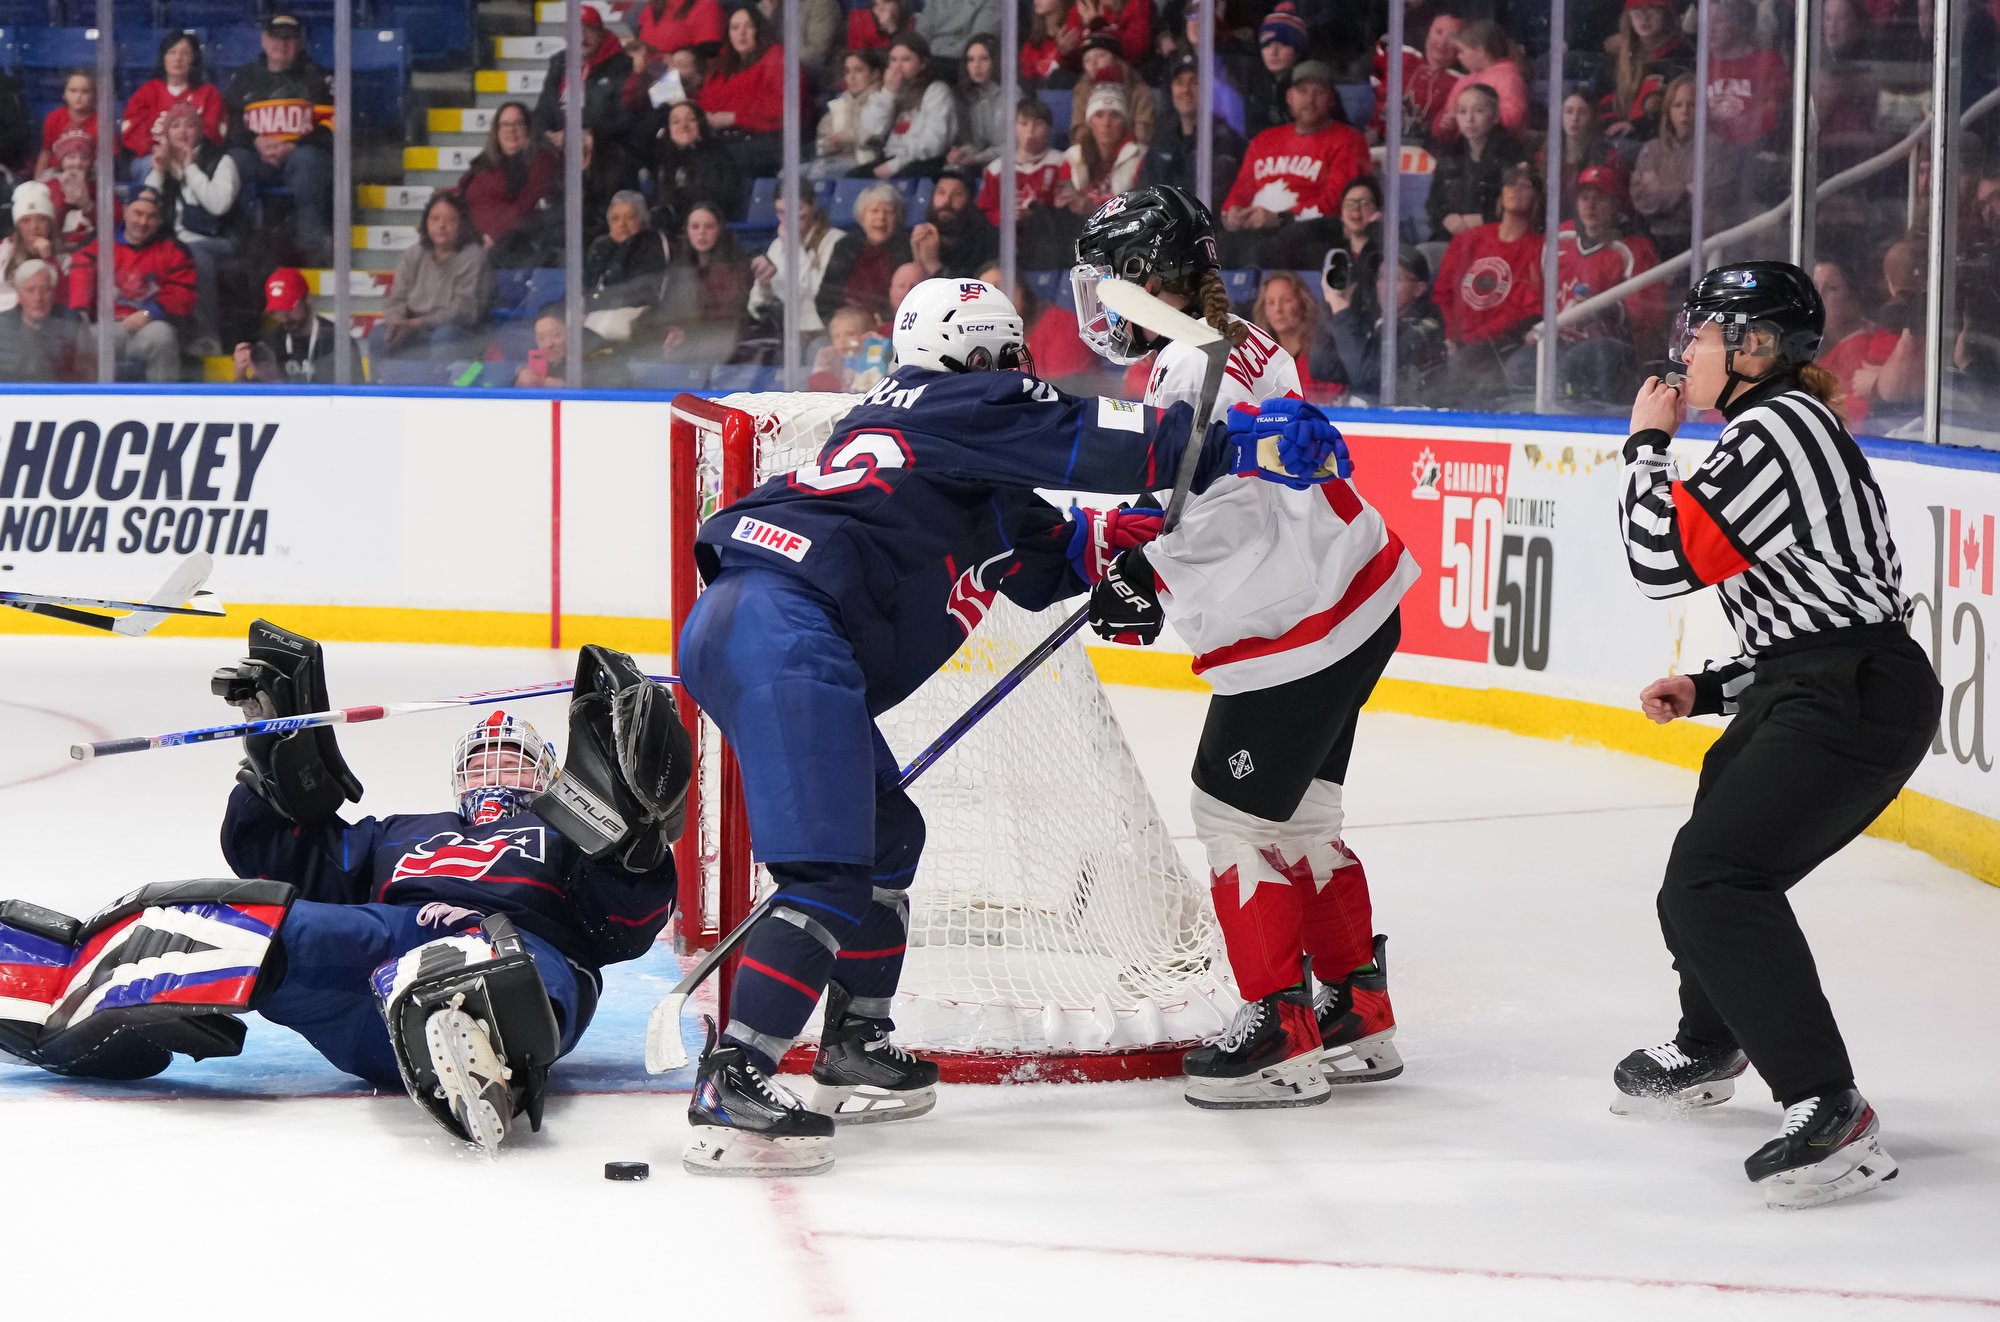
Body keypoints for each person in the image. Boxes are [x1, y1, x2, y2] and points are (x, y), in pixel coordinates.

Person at [674, 274, 1327, 1172]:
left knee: (888, 838)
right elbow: (1106, 439)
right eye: (1011, 355)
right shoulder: (967, 402)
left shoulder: (934, 438)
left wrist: (1125, 547)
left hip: (752, 620)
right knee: (827, 874)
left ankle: (855, 1041)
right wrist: (1238, 440)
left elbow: (1042, 558)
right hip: (785, 629)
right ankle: (734, 1078)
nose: (1024, 371)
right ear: (978, 355)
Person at [0, 625, 688, 1153]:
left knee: (500, 968)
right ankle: (57, 992)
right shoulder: (402, 832)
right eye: (481, 763)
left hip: (524, 948)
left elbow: (623, 924)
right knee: (240, 922)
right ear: (458, 777)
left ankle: (477, 1049)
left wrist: (635, 843)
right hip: (379, 949)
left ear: (548, 776)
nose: (494, 774)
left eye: (512, 762)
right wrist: (270, 756)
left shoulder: (570, 836)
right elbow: (290, 860)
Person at [1073, 185, 1418, 1109]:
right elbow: (1224, 483)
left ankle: (1276, 1032)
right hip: (1357, 598)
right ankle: (1355, 1008)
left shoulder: (1191, 366)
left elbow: (1224, 514)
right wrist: (1147, 544)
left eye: (1110, 282)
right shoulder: (1235, 340)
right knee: (1301, 820)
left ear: (1149, 280)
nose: (1100, 304)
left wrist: (1144, 574)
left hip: (1300, 630)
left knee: (1228, 816)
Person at [1614, 261, 1939, 1209]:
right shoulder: (1778, 426)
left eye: (1704, 336)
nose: (1686, 352)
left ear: (1753, 348)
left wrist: (1645, 447)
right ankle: (1713, 1040)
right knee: (1700, 876)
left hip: (1853, 697)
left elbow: (1661, 562)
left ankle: (1829, 1105)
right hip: (1821, 685)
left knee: (1715, 879)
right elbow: (1815, 612)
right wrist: (1713, 685)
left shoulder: (1778, 428)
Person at [1509, 164, 1662, 403]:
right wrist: (1535, 324)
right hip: (1561, 340)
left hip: (1609, 345)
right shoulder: (1561, 237)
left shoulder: (1634, 249)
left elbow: (1647, 315)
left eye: (1599, 199)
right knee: (1518, 365)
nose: (1590, 206)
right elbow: (1536, 290)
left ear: (1615, 204)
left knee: (1576, 364)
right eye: (1584, 198)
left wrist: (1602, 310)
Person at [1219, 60, 1373, 267]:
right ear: (1289, 97)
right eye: (1302, 91)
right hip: (1257, 230)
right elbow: (1241, 190)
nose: (1310, 100)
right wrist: (1234, 213)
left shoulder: (1348, 140)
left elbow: (1336, 204)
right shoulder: (1265, 140)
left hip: (1314, 233)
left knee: (1268, 249)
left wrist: (1281, 218)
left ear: (1331, 100)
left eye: (1319, 92)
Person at [224, 14, 334, 264]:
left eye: (289, 39)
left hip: (301, 158)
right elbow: (230, 125)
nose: (281, 44)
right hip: (258, 158)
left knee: (309, 161)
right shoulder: (243, 78)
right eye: (276, 38)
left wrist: (294, 146)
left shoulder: (318, 78)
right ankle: (237, 241)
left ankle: (313, 244)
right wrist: (255, 141)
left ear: (300, 43)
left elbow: (331, 127)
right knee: (232, 162)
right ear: (264, 40)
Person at [1434, 160, 1545, 402]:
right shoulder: (1469, 240)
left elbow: (1530, 308)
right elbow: (1444, 292)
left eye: (1525, 185)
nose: (1515, 190)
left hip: (1500, 345)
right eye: (1510, 184)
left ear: (1536, 198)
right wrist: (1451, 336)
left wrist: (1479, 338)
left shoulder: (1539, 247)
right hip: (1457, 341)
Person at [145, 101, 244, 358]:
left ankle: (207, 338)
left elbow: (218, 205)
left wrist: (191, 169)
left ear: (199, 131)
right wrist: (157, 171)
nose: (182, 131)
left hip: (217, 241)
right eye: (175, 126)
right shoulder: (165, 164)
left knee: (192, 255)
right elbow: (144, 208)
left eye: (189, 125)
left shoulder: (222, 161)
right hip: (175, 243)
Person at [68, 187, 195, 383]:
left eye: (151, 216)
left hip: (148, 328)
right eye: (138, 213)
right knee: (81, 339)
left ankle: (163, 400)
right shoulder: (99, 243)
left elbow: (182, 294)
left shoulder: (174, 250)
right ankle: (89, 400)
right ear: (125, 211)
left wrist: (150, 313)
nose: (143, 222)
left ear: (159, 220)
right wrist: (81, 313)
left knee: (163, 337)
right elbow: (80, 278)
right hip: (104, 327)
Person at [371, 191, 493, 365]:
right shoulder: (413, 253)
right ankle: (379, 382)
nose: (441, 225)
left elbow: (463, 310)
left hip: (459, 330)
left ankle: (442, 382)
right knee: (380, 333)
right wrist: (397, 322)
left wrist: (418, 323)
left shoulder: (473, 256)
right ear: (426, 223)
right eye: (435, 219)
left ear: (462, 224)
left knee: (444, 336)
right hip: (412, 327)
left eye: (450, 220)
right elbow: (397, 298)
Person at [1313, 245, 1448, 401]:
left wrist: (1341, 311)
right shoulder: (1375, 320)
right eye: (1381, 277)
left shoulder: (1426, 329)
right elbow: (1322, 367)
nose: (1385, 286)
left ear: (1419, 289)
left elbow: (1369, 377)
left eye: (1395, 279)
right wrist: (1330, 304)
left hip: (1406, 413)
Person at [1631, 74, 1743, 259]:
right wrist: (1685, 189)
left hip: (1703, 243)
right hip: (1658, 242)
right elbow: (1643, 200)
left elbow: (1710, 200)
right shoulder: (1652, 150)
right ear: (1668, 111)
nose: (1685, 111)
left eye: (1692, 105)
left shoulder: (1719, 148)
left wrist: (1661, 189)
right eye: (1677, 105)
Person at [455, 102, 560, 270]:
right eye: (505, 125)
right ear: (496, 131)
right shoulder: (484, 162)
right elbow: (460, 198)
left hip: (510, 246)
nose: (511, 130)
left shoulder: (540, 160)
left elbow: (526, 205)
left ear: (528, 128)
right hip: (472, 241)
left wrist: (494, 237)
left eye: (518, 124)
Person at [979, 97, 1080, 267]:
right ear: (1014, 128)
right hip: (1007, 248)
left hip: (1049, 246)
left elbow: (1067, 211)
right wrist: (1006, 216)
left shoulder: (1062, 163)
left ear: (1049, 129)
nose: (1030, 130)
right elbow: (985, 212)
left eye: (1038, 124)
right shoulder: (996, 169)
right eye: (1024, 123)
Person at [697, 5, 793, 179]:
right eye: (735, 28)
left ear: (759, 30)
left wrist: (734, 118)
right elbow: (706, 102)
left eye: (748, 26)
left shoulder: (777, 58)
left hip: (765, 140)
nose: (741, 33)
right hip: (724, 139)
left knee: (717, 159)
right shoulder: (722, 66)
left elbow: (784, 109)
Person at [121, 31, 226, 184]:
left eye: (185, 53)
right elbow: (133, 134)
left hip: (195, 159)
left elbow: (212, 134)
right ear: (163, 57)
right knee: (149, 165)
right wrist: (160, 151)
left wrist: (187, 154)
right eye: (172, 52)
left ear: (194, 59)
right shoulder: (147, 92)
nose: (178, 58)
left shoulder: (208, 93)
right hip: (154, 157)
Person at [1141, 53, 1246, 202]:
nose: (1186, 90)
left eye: (1194, 82)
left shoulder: (1227, 142)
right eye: (1179, 82)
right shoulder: (1161, 140)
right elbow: (1144, 193)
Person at [1428, 84, 1524, 240]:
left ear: (1495, 116)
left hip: (1498, 237)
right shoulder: (1450, 154)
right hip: (1453, 238)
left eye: (1479, 111)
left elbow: (1522, 205)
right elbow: (1434, 203)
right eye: (1462, 111)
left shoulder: (1512, 153)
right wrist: (1446, 218)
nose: (1469, 119)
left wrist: (1485, 219)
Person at [745, 191, 844, 343]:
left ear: (813, 206)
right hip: (784, 332)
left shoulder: (836, 241)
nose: (789, 218)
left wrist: (794, 247)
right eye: (781, 212)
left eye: (797, 209)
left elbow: (817, 298)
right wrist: (765, 285)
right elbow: (755, 306)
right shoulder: (777, 246)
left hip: (822, 331)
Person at [657, 200, 749, 364]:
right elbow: (670, 312)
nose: (701, 232)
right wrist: (674, 331)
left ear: (719, 230)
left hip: (725, 348)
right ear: (687, 231)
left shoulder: (735, 265)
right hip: (688, 346)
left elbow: (730, 318)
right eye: (695, 227)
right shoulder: (679, 267)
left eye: (709, 226)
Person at [532, 3, 633, 149]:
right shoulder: (558, 64)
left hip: (603, 151)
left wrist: (585, 136)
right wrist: (546, 135)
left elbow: (625, 119)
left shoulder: (621, 66)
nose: (582, 37)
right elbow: (542, 111)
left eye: (590, 30)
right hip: (559, 149)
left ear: (601, 34)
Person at [859, 33, 956, 179]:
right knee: (853, 177)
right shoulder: (885, 92)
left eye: (906, 60)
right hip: (889, 156)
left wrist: (896, 164)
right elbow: (870, 132)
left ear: (923, 64)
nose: (898, 67)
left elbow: (933, 143)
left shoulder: (937, 91)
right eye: (893, 60)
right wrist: (888, 93)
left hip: (922, 160)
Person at [816, 181, 912, 325]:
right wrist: (839, 323)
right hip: (847, 326)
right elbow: (825, 298)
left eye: (888, 212)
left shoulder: (906, 248)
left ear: (897, 218)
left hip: (890, 325)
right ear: (862, 216)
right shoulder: (845, 246)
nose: (881, 217)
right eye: (874, 211)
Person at [1598, 0, 1690, 140]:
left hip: (1663, 140)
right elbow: (1604, 102)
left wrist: (1638, 127)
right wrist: (1613, 124)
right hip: (1620, 140)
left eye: (1653, 10)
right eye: (1637, 10)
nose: (1644, 17)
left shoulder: (1682, 55)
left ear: (1666, 14)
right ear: (1628, 16)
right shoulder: (1620, 57)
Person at [1370, 13, 1465, 149]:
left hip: (1423, 151)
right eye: (1438, 32)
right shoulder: (1401, 54)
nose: (1442, 42)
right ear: (1429, 31)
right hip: (1377, 141)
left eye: (1452, 37)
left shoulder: (1460, 83)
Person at [1432, 20, 1529, 143]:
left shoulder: (1508, 78)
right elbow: (1448, 110)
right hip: (1464, 148)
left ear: (1480, 51)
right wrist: (1445, 124)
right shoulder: (1465, 81)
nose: (1458, 56)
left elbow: (1514, 118)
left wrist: (1482, 118)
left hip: (1498, 147)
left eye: (1461, 51)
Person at [652, 100, 746, 225]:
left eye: (691, 119)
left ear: (701, 124)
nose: (684, 126)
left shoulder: (719, 157)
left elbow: (721, 200)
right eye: (676, 122)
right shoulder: (665, 160)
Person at [1252, 271, 1342, 403]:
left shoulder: (1323, 355)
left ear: (1303, 304)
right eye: (1271, 302)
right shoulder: (1257, 358)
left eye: (1287, 300)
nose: (1278, 309)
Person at [234, 266, 333, 384]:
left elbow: (349, 391)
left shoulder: (335, 340)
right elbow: (253, 394)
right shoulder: (270, 344)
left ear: (308, 299)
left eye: (290, 307)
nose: (284, 316)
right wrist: (241, 375)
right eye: (277, 310)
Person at [0, 259, 90, 382]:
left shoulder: (73, 324)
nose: (38, 298)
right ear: (19, 295)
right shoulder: (2, 326)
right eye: (30, 290)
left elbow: (86, 374)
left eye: (45, 290)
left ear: (54, 293)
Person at [1062, 85, 1145, 217]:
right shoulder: (1072, 157)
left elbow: (1142, 207)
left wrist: (1094, 209)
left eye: (1115, 115)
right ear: (1090, 122)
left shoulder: (1140, 157)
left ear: (1124, 123)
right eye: (1099, 115)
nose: (1106, 123)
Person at [1067, 31, 1156, 149]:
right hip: (1092, 152)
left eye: (1101, 56)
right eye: (1087, 60)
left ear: (1117, 59)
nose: (1093, 63)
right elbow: (1079, 132)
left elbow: (1143, 134)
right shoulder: (1082, 90)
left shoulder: (1140, 91)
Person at [810, 50, 885, 180]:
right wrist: (828, 145)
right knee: (787, 175)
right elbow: (822, 137)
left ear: (875, 74)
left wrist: (845, 137)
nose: (852, 77)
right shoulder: (840, 102)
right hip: (833, 160)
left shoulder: (881, 101)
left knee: (820, 173)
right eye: (847, 71)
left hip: (863, 162)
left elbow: (872, 132)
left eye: (858, 70)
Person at [909, 170, 998, 280]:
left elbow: (975, 287)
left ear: (970, 200)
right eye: (941, 192)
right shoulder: (920, 237)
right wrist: (917, 260)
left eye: (957, 194)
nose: (947, 201)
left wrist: (933, 265)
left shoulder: (987, 239)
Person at [0, 181, 65, 316]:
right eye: (26, 220)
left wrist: (48, 259)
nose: (34, 226)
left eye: (41, 219)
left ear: (50, 223)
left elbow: (63, 302)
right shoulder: (3, 252)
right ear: (18, 226)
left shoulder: (63, 259)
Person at [946, 34, 1006, 171]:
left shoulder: (1010, 94)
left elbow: (1012, 146)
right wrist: (963, 152)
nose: (976, 66)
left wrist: (978, 158)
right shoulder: (971, 95)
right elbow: (978, 145)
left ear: (996, 62)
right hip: (982, 164)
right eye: (971, 60)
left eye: (984, 59)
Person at [35, 70, 96, 180]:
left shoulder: (101, 121)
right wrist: (38, 183)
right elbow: (46, 152)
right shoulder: (54, 118)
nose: (78, 96)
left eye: (85, 91)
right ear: (64, 94)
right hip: (56, 175)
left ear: (93, 95)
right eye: (73, 91)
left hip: (88, 177)